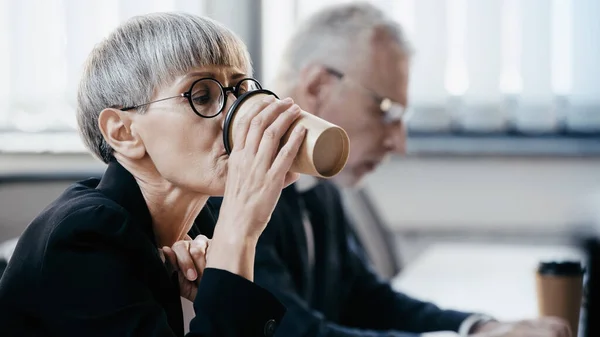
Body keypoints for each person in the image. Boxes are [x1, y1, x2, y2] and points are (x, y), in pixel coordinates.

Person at [211, 3, 571, 337]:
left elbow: (366, 299)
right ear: (318, 86)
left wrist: (478, 328)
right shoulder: (232, 193)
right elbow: (297, 332)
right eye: (385, 110)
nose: (399, 144)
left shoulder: (319, 183)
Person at [0, 12, 308, 336]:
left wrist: (210, 294)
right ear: (123, 132)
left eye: (240, 91)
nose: (237, 113)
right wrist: (239, 233)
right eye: (203, 95)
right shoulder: (84, 236)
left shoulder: (198, 226)